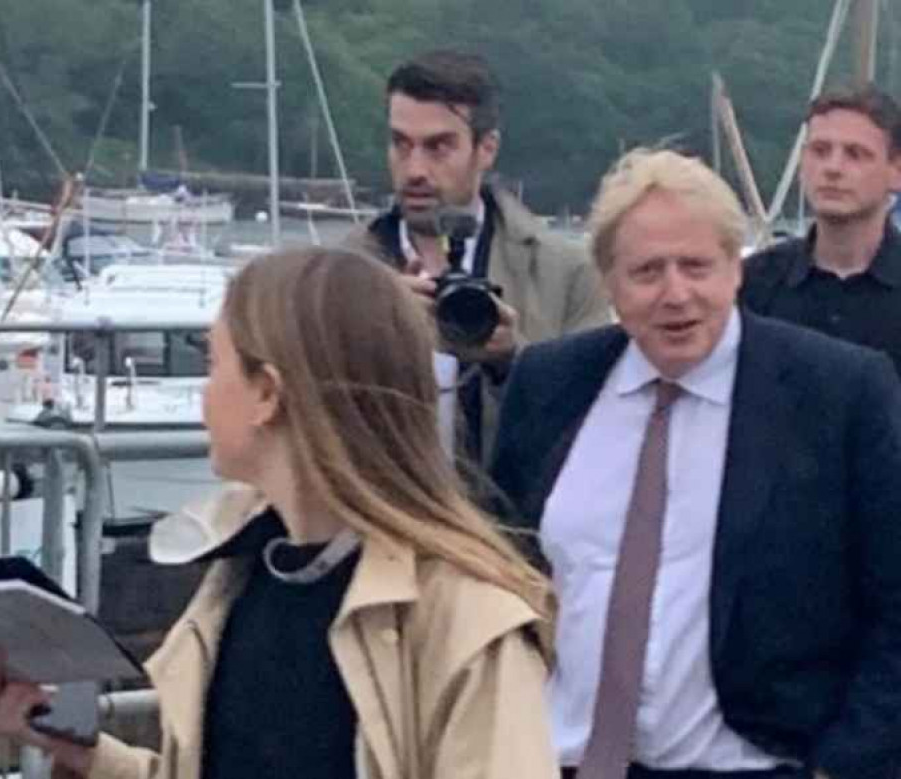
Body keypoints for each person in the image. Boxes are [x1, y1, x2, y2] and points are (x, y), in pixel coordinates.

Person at [0, 247, 559, 779]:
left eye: (213, 363)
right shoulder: (243, 574)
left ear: (267, 394)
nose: (204, 393)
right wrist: (81, 750)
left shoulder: (466, 622)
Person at [490, 148, 901, 779]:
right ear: (609, 282)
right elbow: (500, 569)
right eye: (648, 271)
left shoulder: (839, 394)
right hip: (559, 759)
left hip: (752, 762)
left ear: (736, 270)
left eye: (697, 266)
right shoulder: (550, 385)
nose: (676, 294)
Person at [345, 49, 610, 463]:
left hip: (509, 522)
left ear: (486, 149)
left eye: (438, 147)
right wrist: (372, 328)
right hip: (380, 518)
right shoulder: (339, 273)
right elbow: (301, 416)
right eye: (401, 144)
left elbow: (593, 430)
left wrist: (511, 363)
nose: (414, 169)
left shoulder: (569, 273)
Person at [741, 85, 901, 376]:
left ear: (896, 171)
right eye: (820, 151)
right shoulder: (751, 285)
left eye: (855, 154)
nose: (833, 168)